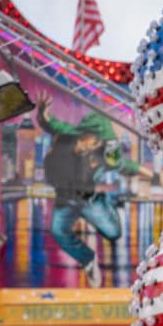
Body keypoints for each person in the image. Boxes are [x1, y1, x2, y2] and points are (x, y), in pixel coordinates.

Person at [36, 94, 141, 287]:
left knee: (113, 233)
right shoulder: (67, 134)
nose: (94, 146)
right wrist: (42, 112)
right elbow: (49, 123)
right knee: (59, 232)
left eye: (98, 144)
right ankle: (88, 260)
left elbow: (122, 164)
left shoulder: (101, 152)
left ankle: (103, 200)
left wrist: (154, 175)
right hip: (65, 199)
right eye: (93, 142)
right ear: (84, 135)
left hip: (88, 199)